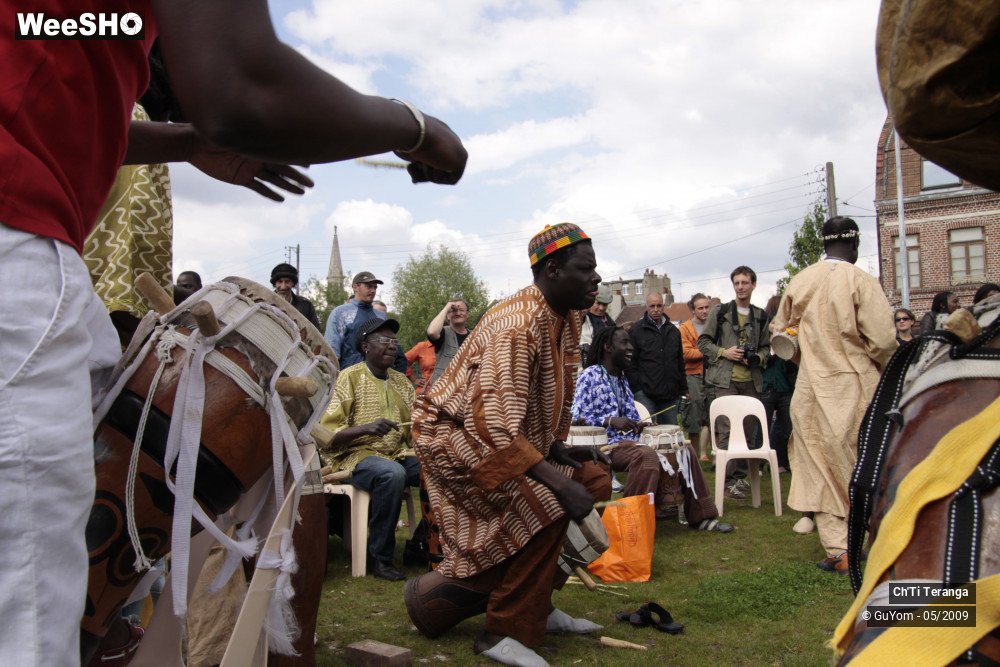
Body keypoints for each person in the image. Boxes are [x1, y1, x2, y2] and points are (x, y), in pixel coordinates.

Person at [0, 4, 467, 663]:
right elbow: (242, 87)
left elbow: (71, 106)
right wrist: (415, 127)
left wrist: (186, 142)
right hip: (15, 250)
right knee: (26, 626)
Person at [405, 223, 611, 667]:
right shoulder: (516, 325)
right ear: (553, 270)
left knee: (591, 479)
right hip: (453, 439)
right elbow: (493, 425)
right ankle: (503, 630)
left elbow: (557, 388)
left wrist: (557, 450)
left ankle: (540, 605)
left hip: (498, 437)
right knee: (550, 500)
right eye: (587, 269)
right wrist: (553, 480)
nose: (597, 278)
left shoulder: (568, 314)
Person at [770, 217, 898, 574]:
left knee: (819, 466)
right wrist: (886, 367)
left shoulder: (801, 280)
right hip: (855, 386)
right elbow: (884, 341)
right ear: (855, 245)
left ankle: (840, 550)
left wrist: (804, 354)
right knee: (864, 463)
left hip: (810, 390)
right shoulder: (860, 280)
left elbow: (780, 335)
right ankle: (876, 541)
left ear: (823, 245)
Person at [573, 325, 733, 532]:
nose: (630, 347)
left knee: (683, 448)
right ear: (607, 347)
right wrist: (610, 420)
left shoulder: (622, 379)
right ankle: (629, 523)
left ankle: (702, 516)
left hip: (629, 441)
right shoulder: (590, 376)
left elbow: (629, 415)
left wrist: (640, 425)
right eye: (624, 343)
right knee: (646, 456)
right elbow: (575, 417)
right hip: (605, 446)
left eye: (630, 342)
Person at [319, 318, 418, 581]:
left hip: (397, 453)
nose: (391, 346)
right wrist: (366, 428)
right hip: (355, 457)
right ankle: (380, 558)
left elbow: (415, 431)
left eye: (394, 342)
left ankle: (421, 544)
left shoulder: (401, 382)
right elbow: (326, 435)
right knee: (392, 474)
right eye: (384, 341)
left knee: (443, 466)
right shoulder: (348, 378)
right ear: (365, 346)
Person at [697, 266, 771, 498]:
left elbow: (767, 348)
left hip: (751, 381)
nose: (740, 287)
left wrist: (757, 357)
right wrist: (724, 352)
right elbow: (703, 342)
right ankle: (726, 480)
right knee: (727, 431)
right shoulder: (720, 312)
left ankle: (738, 480)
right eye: (737, 283)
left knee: (747, 433)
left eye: (745, 283)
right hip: (725, 380)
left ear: (753, 285)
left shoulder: (760, 315)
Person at [326, 271, 407, 372]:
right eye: (369, 286)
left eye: (375, 287)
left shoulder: (381, 316)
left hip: (379, 378)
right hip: (351, 376)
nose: (373, 290)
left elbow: (395, 349)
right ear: (355, 287)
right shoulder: (340, 313)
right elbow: (331, 353)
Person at [626, 292, 686, 425]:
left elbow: (679, 362)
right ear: (646, 307)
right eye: (652, 306)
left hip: (669, 395)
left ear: (663, 306)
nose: (656, 309)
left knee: (670, 435)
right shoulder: (636, 330)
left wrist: (683, 389)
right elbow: (630, 363)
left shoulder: (674, 331)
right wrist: (638, 389)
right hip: (645, 394)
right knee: (647, 433)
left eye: (659, 305)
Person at [760, 295, 795, 473]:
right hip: (767, 383)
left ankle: (781, 462)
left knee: (786, 425)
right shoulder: (763, 328)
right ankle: (758, 463)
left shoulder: (790, 328)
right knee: (762, 426)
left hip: (785, 384)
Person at [678, 293, 713, 460]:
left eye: (707, 307)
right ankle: (693, 457)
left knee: (713, 415)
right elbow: (685, 353)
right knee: (693, 417)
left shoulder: (714, 325)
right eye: (701, 308)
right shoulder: (684, 328)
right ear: (693, 310)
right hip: (693, 375)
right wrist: (709, 351)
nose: (705, 311)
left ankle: (711, 456)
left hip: (713, 375)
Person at [426, 297, 471, 386]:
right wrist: (447, 307)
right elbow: (432, 332)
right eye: (453, 311)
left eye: (461, 310)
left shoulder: (475, 335)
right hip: (443, 391)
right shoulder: (443, 333)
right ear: (447, 315)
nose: (458, 313)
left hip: (467, 389)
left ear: (467, 314)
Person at [270, 262, 321, 330]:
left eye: (287, 282)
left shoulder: (305, 306)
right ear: (274, 284)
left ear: (293, 284)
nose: (283, 287)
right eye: (280, 282)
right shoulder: (265, 303)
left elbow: (315, 332)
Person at [579, 283, 614, 366]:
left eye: (604, 304)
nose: (601, 308)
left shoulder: (610, 322)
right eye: (598, 303)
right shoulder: (581, 318)